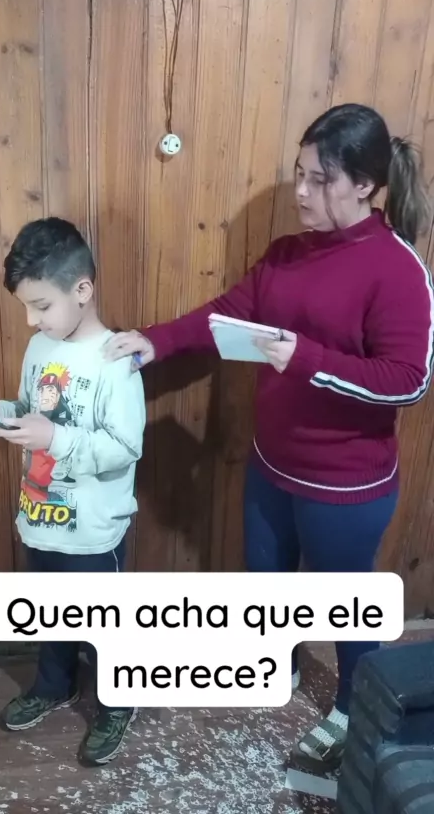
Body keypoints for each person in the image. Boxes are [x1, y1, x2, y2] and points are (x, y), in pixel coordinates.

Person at [102, 103, 434, 772]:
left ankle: (353, 707)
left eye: (320, 180)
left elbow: (408, 380)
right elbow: (231, 312)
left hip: (346, 486)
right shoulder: (288, 252)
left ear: (365, 185)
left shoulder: (397, 269)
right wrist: (156, 341)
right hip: (271, 465)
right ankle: (278, 665)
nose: (301, 192)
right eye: (298, 174)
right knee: (268, 581)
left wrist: (305, 358)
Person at [0, 218, 146, 767]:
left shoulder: (116, 360)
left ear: (82, 289)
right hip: (40, 516)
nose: (32, 320)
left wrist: (55, 439)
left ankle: (118, 701)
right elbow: (31, 411)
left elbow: (124, 446)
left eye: (41, 305)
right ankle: (54, 685)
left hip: (93, 530)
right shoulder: (41, 345)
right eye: (26, 308)